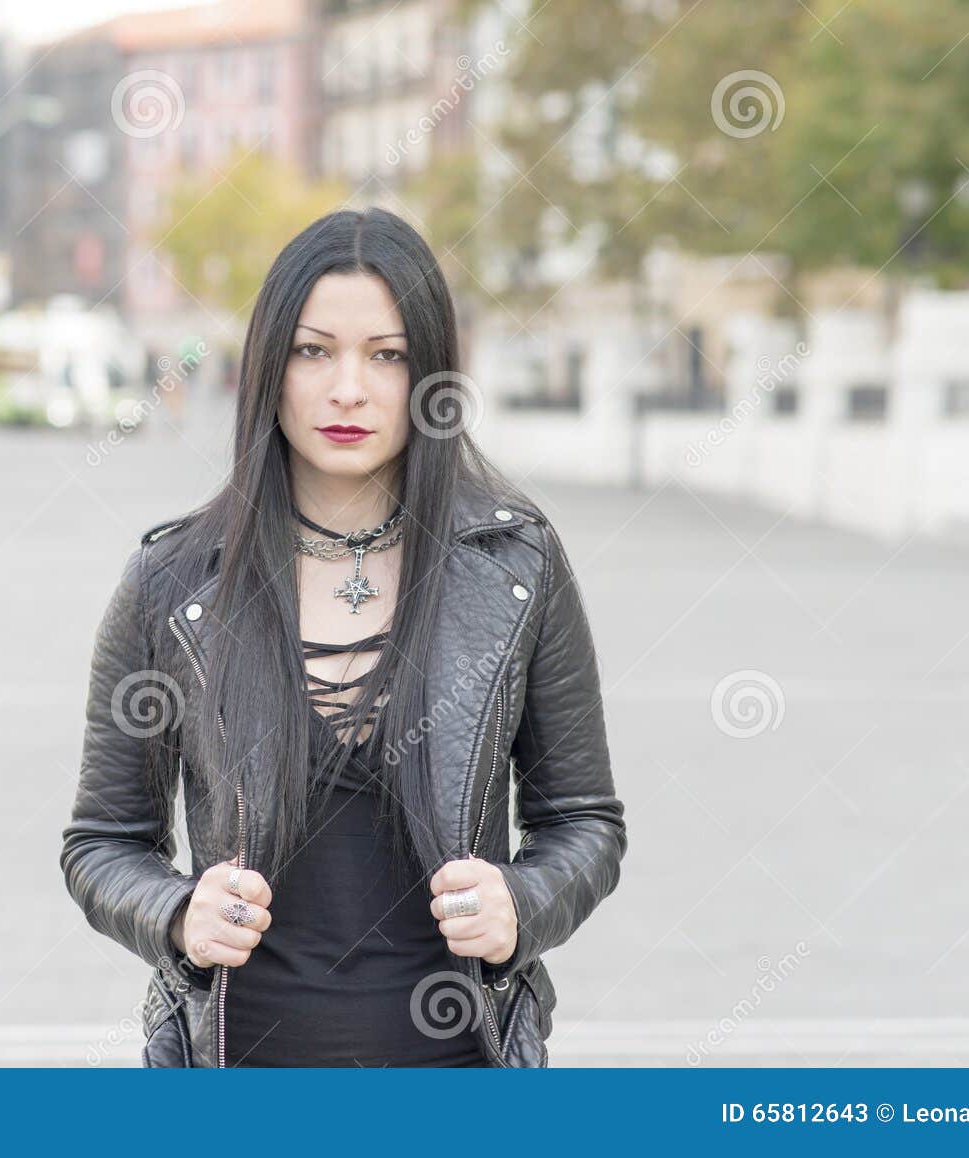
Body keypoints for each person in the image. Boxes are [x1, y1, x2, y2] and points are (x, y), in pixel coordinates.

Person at [60, 207, 628, 1067]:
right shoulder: (173, 583)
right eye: (313, 350)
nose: (348, 389)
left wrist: (523, 902)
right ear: (268, 368)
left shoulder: (516, 568)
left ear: (431, 375)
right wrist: (177, 913)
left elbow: (583, 820)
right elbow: (103, 841)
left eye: (387, 355)